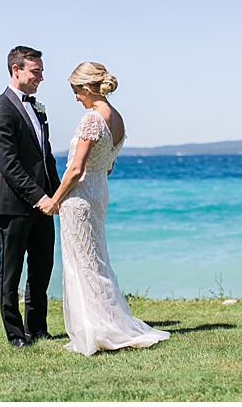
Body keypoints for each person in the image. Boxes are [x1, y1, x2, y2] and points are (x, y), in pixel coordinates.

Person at [48, 62, 169, 356]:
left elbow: (76, 169)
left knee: (83, 262)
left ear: (87, 87)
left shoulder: (91, 119)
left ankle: (96, 329)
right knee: (96, 259)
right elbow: (108, 165)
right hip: (100, 191)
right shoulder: (118, 119)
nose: (76, 98)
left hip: (80, 196)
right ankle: (106, 323)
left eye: (76, 91)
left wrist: (55, 200)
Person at [0, 46, 61, 348]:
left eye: (41, 71)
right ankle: (16, 335)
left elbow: (46, 157)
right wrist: (39, 197)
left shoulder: (38, 109)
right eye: (35, 71)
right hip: (12, 205)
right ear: (16, 70)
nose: (41, 77)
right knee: (11, 273)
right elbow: (9, 164)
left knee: (42, 269)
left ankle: (37, 329)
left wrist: (58, 194)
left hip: (44, 204)